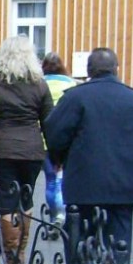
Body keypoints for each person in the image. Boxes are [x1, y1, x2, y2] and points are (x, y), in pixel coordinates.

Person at [43, 46, 133, 261]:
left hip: (84, 181)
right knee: (120, 242)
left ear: (89, 70)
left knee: (78, 236)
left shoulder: (75, 97)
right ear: (116, 69)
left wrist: (59, 159)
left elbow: (55, 133)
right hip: (124, 184)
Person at [0, 36, 52, 264]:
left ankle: (11, 258)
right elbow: (49, 119)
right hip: (32, 150)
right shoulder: (39, 83)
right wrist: (56, 154)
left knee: (6, 202)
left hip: (2, 150)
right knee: (26, 199)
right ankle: (21, 252)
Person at [40, 52, 77, 229]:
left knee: (50, 179)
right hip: (65, 140)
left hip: (43, 141)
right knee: (61, 179)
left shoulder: (40, 84)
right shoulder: (71, 85)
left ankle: (54, 213)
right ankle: (62, 213)